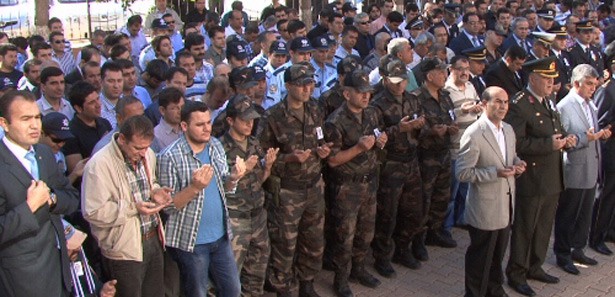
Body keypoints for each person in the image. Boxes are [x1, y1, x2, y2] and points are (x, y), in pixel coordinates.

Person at [257, 63, 332, 297]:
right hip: (288, 191)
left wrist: (323, 150)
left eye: (309, 83)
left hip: (314, 186)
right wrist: (288, 158)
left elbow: (320, 138)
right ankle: (283, 288)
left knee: (314, 240)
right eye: (300, 84)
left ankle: (307, 283)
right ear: (288, 85)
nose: (306, 88)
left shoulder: (316, 109)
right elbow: (261, 156)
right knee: (284, 244)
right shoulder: (273, 116)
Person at [504, 56, 577, 297]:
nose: (551, 82)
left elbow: (555, 130)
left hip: (551, 176)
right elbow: (516, 142)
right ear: (533, 78)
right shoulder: (520, 104)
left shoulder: (548, 101)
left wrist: (566, 140)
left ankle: (534, 266)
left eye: (552, 78)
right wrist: (548, 144)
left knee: (544, 226)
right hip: (532, 176)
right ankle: (516, 272)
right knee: (526, 227)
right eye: (546, 78)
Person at [158, 102, 246, 297]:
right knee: (197, 292)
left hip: (221, 236)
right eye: (200, 125)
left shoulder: (215, 145)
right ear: (183, 126)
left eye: (208, 122)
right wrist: (194, 188)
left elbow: (226, 188)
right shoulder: (169, 157)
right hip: (192, 242)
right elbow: (168, 207)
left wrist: (233, 178)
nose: (207, 128)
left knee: (233, 290)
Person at [0, 90, 79, 297]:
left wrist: (52, 200)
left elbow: (71, 198)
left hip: (58, 269)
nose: (35, 125)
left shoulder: (44, 153)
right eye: (25, 119)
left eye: (37, 117)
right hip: (21, 279)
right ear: (4, 123)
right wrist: (29, 207)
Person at [82, 115, 171, 297]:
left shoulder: (148, 154)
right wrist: (133, 208)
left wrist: (156, 191)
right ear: (122, 139)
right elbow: (93, 212)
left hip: (153, 238)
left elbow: (149, 182)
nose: (143, 153)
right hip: (123, 249)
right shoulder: (98, 165)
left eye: (146, 147)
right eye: (138, 148)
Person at [456, 86, 526, 297]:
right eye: (497, 101)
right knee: (481, 256)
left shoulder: (508, 129)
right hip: (485, 207)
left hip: (505, 205)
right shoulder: (474, 133)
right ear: (484, 104)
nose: (503, 106)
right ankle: (474, 293)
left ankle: (494, 290)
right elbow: (463, 173)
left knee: (498, 254)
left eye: (505, 102)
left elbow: (510, 158)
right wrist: (494, 173)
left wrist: (518, 164)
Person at [324, 69, 387, 297]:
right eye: (360, 92)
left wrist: (381, 140)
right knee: (344, 237)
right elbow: (332, 160)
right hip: (346, 188)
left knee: (366, 232)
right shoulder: (335, 122)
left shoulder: (371, 114)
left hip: (369, 182)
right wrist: (358, 148)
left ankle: (358, 269)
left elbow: (378, 134)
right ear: (347, 93)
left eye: (368, 92)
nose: (365, 96)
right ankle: (340, 280)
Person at [369, 59, 426, 277]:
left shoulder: (412, 100)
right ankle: (382, 256)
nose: (400, 85)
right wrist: (399, 129)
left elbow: (422, 122)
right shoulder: (377, 104)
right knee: (387, 214)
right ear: (385, 80)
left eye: (403, 81)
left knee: (413, 211)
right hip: (390, 164)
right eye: (395, 81)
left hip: (411, 162)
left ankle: (403, 249)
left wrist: (420, 126)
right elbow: (376, 136)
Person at [220, 94, 278, 296]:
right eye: (244, 120)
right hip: (236, 218)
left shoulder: (254, 143)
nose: (249, 124)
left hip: (257, 215)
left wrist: (267, 168)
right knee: (230, 275)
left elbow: (258, 181)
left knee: (257, 270)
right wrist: (239, 173)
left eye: (252, 120)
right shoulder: (220, 148)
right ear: (230, 121)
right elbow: (221, 186)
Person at [554, 64, 609, 275]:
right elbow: (565, 141)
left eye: (595, 85)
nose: (592, 88)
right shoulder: (565, 106)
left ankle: (578, 248)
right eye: (588, 84)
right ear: (576, 83)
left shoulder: (590, 103)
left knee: (585, 213)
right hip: (575, 168)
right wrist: (587, 138)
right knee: (569, 213)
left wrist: (598, 136)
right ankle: (563, 253)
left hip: (591, 166)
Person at [443, 56, 482, 233]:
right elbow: (445, 116)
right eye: (460, 68)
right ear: (451, 69)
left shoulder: (471, 86)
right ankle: (446, 226)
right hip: (454, 146)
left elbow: (476, 106)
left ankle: (461, 219)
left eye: (466, 68)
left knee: (465, 188)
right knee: (452, 190)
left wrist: (478, 108)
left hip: (470, 145)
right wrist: (462, 110)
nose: (465, 72)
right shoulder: (446, 90)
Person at [593, 54, 615, 256]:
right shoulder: (608, 90)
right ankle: (596, 236)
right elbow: (598, 122)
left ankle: (609, 230)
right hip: (609, 151)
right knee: (605, 194)